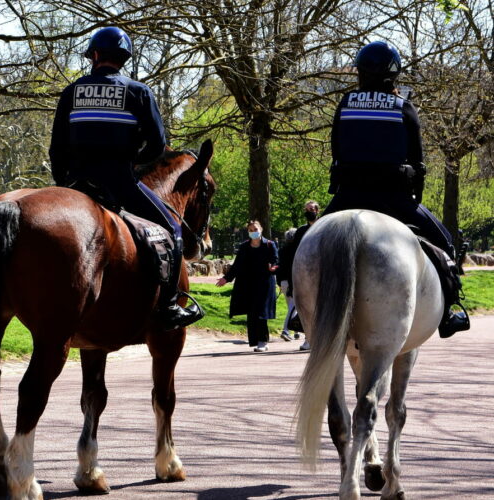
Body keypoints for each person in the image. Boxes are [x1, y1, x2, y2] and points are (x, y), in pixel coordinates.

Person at [48, 26, 203, 330]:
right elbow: (158, 146)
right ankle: (170, 306)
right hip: (119, 181)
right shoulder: (138, 92)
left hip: (76, 181)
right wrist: (134, 163)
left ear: (94, 55)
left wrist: (63, 185)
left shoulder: (72, 91)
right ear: (124, 59)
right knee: (172, 229)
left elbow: (57, 148)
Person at [324, 41, 469, 338]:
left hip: (348, 195)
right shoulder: (403, 107)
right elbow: (419, 163)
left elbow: (335, 150)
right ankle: (451, 310)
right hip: (393, 198)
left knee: (303, 243)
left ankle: (301, 309)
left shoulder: (346, 103)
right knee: (446, 246)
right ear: (395, 73)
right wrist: (415, 197)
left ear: (359, 72)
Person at [216, 221, 279, 352]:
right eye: (250, 230)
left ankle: (263, 341)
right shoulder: (244, 246)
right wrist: (226, 279)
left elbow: (276, 260)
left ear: (261, 229)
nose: (253, 231)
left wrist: (273, 267)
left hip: (265, 283)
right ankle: (255, 340)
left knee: (261, 312)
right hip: (248, 283)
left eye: (255, 229)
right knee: (252, 312)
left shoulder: (269, 245)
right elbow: (237, 265)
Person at [277, 201, 320, 350]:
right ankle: (308, 338)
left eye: (312, 209)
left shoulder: (324, 227)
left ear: (317, 210)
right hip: (306, 275)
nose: (309, 211)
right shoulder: (301, 231)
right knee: (306, 308)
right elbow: (295, 256)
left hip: (322, 273)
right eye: (307, 209)